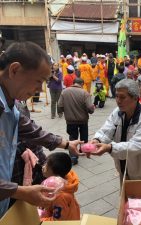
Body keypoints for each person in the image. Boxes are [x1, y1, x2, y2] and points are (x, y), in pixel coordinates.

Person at [0, 41, 82, 218]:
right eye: (38, 81)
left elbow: (31, 130)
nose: (39, 89)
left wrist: (67, 143)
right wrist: (21, 191)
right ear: (14, 70)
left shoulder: (11, 104)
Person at [90, 79, 141, 182]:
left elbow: (136, 145)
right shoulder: (118, 112)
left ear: (135, 98)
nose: (118, 100)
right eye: (117, 96)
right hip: (123, 169)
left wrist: (109, 148)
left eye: (122, 97)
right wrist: (97, 140)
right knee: (124, 197)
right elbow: (107, 129)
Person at [58, 78, 95, 165]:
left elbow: (59, 105)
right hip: (83, 120)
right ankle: (84, 150)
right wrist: (92, 110)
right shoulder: (85, 93)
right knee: (84, 136)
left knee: (73, 138)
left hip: (70, 120)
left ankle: (74, 157)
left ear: (73, 83)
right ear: (82, 84)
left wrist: (65, 111)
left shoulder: (64, 92)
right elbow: (90, 108)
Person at [40, 152, 80, 221]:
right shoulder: (63, 180)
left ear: (55, 174)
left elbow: (57, 220)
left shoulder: (60, 197)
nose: (43, 167)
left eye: (46, 166)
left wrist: (40, 220)